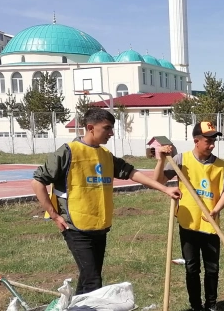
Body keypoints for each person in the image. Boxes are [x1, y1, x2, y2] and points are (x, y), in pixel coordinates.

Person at [32, 108, 181, 295]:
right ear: (90, 128)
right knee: (93, 279)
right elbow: (37, 182)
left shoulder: (105, 155)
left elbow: (132, 173)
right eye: (107, 128)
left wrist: (165, 189)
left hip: (99, 225)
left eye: (112, 128)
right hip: (75, 227)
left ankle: (76, 310)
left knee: (88, 276)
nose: (111, 133)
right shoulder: (68, 152)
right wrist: (54, 215)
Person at [154, 121, 224, 311]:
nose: (212, 145)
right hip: (188, 224)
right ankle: (196, 309)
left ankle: (211, 306)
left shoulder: (220, 165)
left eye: (214, 141)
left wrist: (215, 210)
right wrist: (161, 160)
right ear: (196, 141)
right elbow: (159, 181)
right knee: (192, 267)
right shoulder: (181, 160)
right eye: (208, 141)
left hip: (210, 225)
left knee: (212, 268)